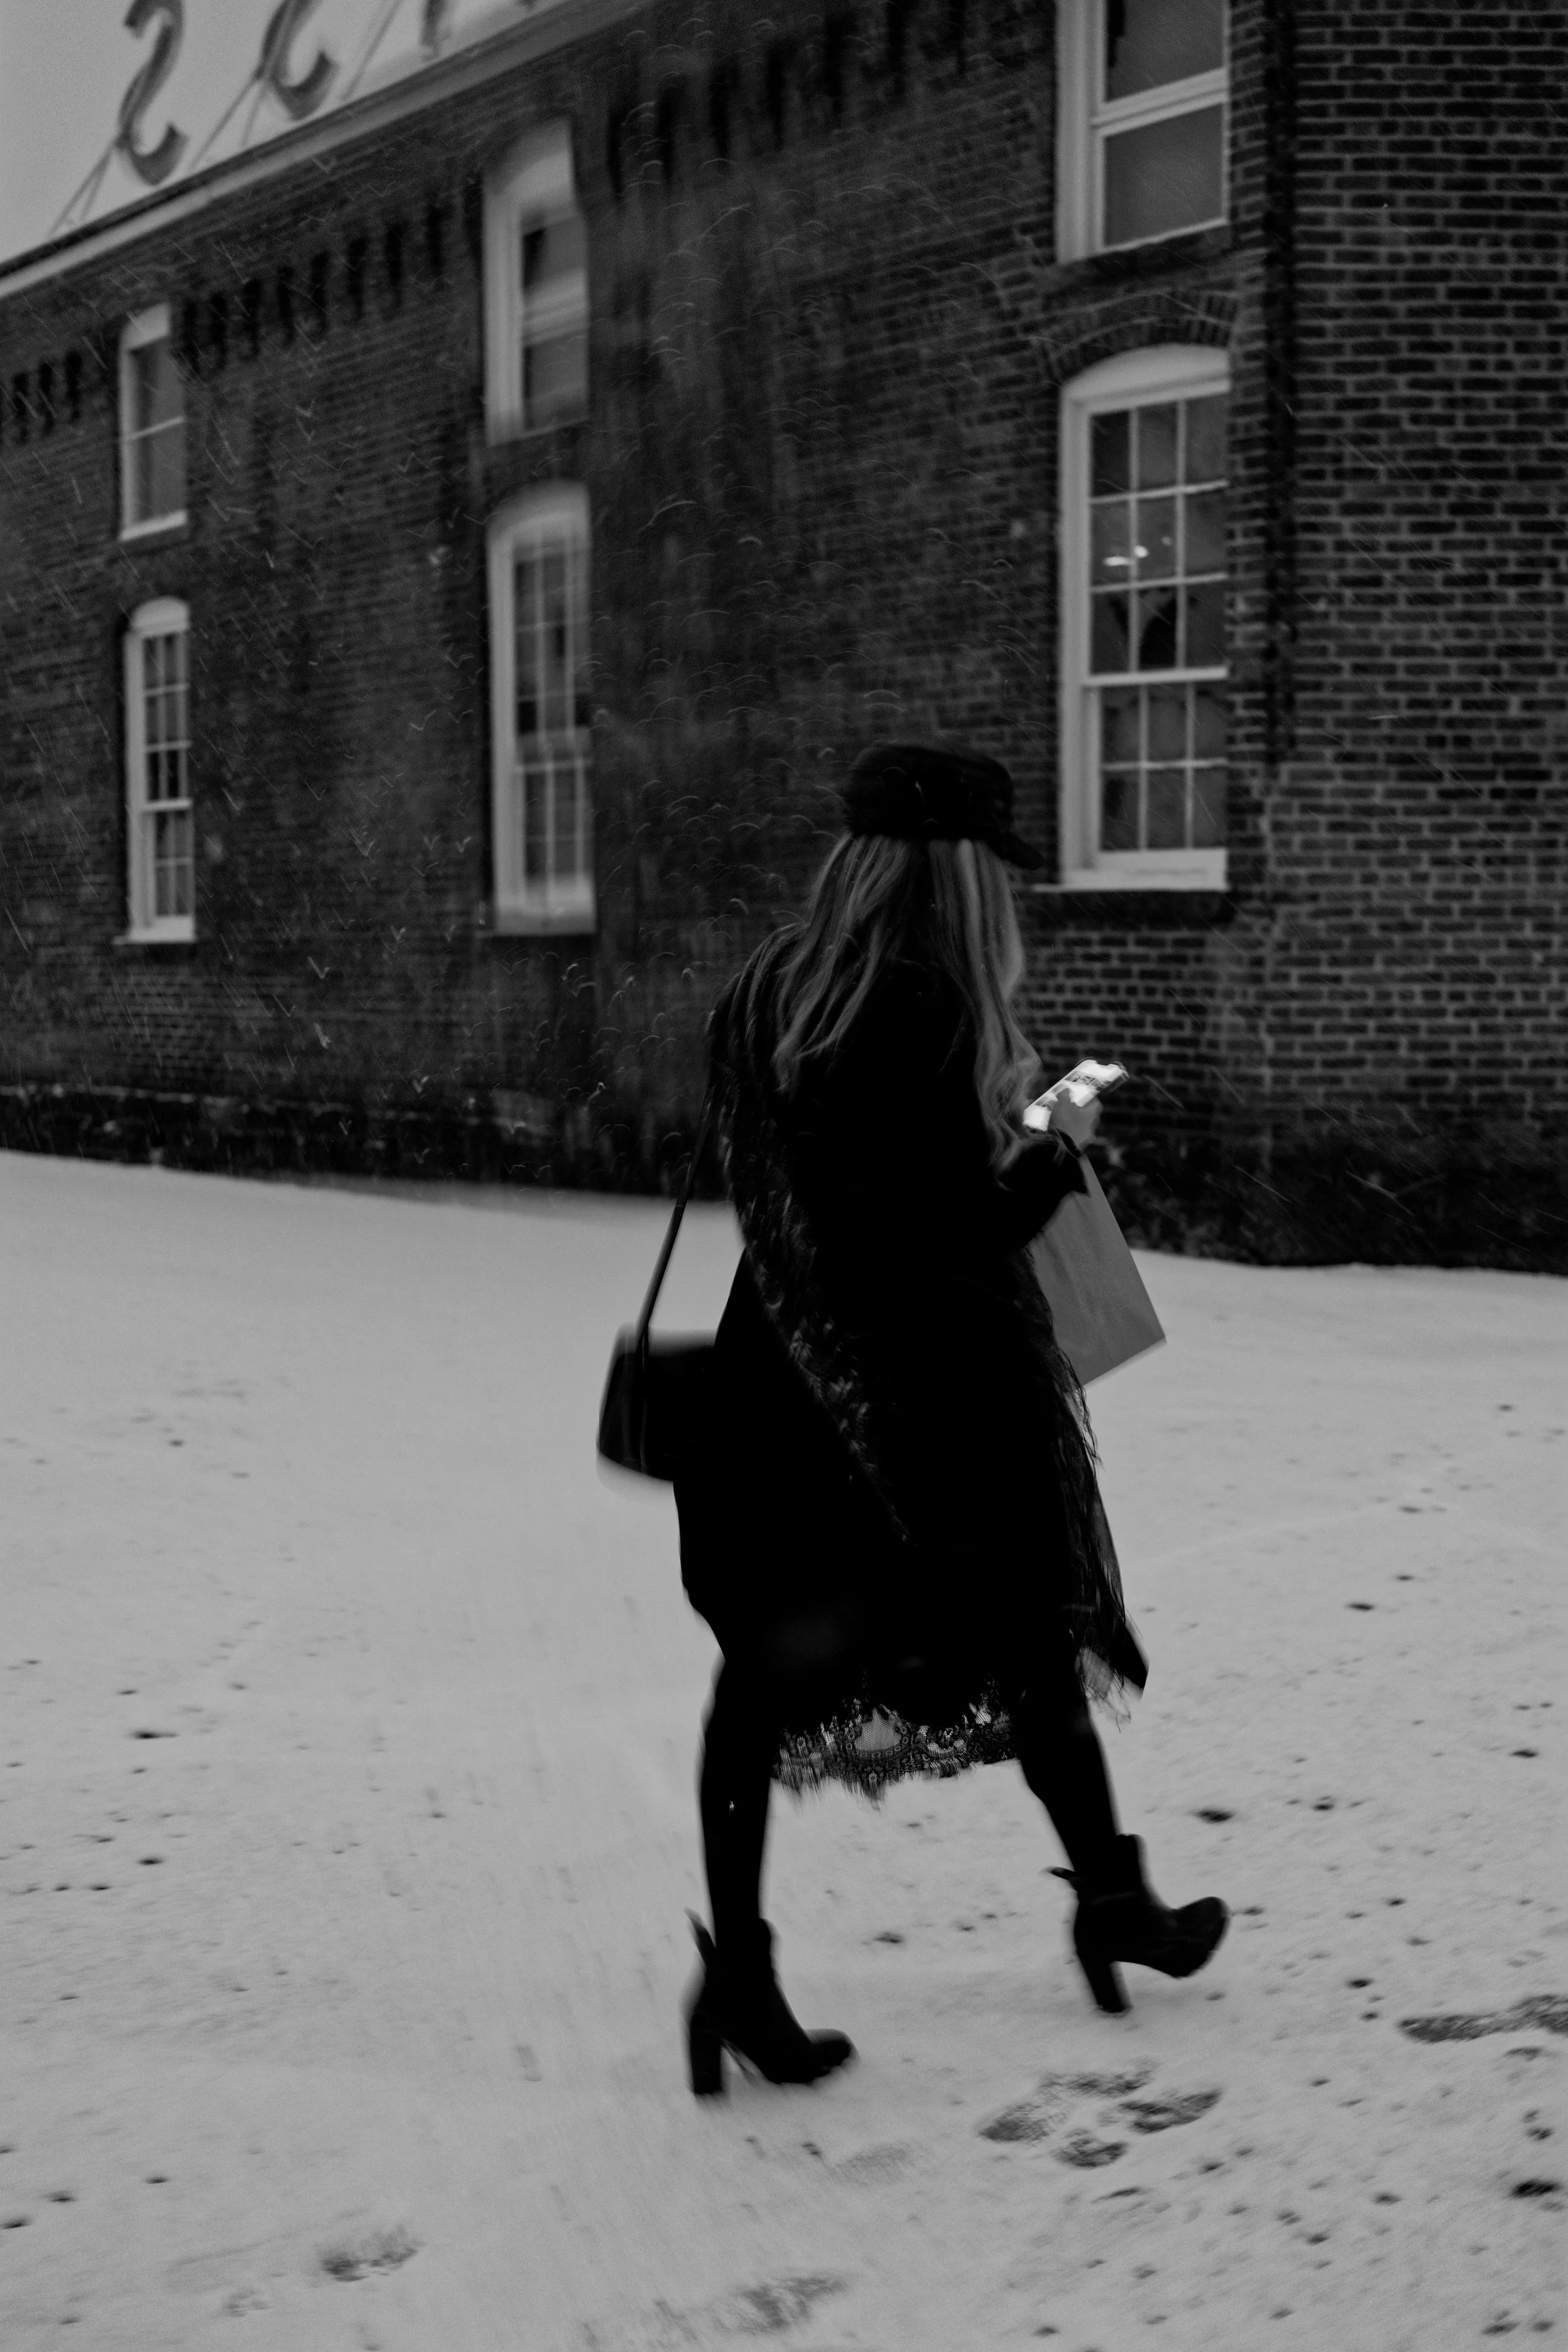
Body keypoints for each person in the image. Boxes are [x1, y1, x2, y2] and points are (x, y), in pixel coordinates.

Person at [672, 742, 1227, 2099]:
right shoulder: (910, 1003)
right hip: (912, 1404)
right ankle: (1105, 1903)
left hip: (783, 1384)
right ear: (951, 870)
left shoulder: (772, 988)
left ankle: (742, 1974)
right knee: (1023, 1636)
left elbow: (827, 1199)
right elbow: (929, 1236)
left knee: (763, 1684)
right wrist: (1050, 1159)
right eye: (991, 866)